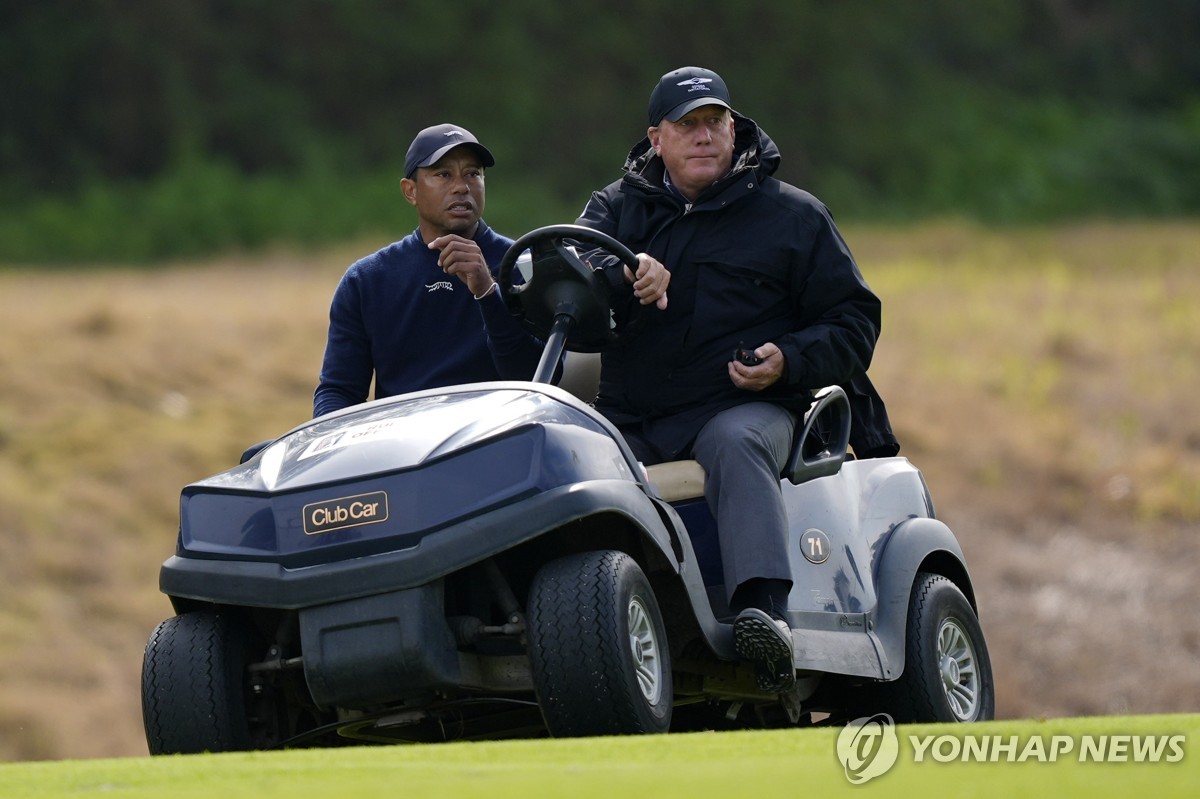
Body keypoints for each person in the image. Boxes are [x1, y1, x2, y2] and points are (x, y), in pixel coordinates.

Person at [576, 66, 898, 693]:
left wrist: (789, 358)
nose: (704, 137)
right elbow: (569, 282)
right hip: (637, 416)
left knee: (734, 443)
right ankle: (590, 623)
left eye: (714, 123)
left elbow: (855, 319)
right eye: (687, 125)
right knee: (573, 462)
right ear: (656, 138)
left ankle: (762, 613)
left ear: (732, 129)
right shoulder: (611, 210)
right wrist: (623, 277)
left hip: (748, 405)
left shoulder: (795, 216)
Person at [314, 123, 546, 417]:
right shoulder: (367, 280)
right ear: (410, 191)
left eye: (473, 174)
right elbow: (340, 390)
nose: (462, 186)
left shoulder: (526, 267)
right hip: (402, 447)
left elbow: (539, 382)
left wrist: (488, 292)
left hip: (499, 439)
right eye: (443, 174)